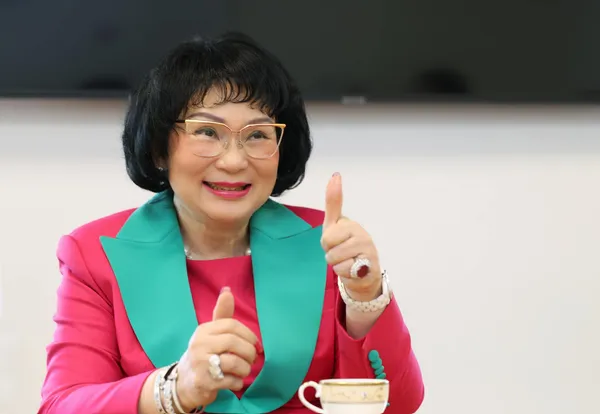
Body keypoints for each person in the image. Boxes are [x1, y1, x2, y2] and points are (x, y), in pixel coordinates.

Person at [38, 32, 425, 414]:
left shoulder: (324, 243)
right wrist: (176, 389)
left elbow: (399, 405)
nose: (234, 161)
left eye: (257, 135)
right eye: (207, 132)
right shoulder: (95, 255)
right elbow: (61, 406)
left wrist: (365, 298)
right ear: (159, 148)